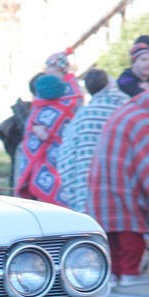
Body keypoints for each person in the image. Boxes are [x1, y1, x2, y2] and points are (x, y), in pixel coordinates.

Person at [85, 90, 149, 288]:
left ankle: (113, 273)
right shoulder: (141, 119)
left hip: (102, 176)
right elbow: (145, 158)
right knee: (130, 225)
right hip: (122, 179)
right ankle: (129, 273)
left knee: (109, 227)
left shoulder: (123, 112)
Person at [55, 69, 129, 212]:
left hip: (87, 184)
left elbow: (67, 154)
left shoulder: (83, 115)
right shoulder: (124, 107)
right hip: (119, 181)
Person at [15, 74, 80, 206]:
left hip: (44, 163)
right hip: (64, 158)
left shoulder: (37, 110)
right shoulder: (68, 105)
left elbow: (42, 136)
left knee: (44, 201)